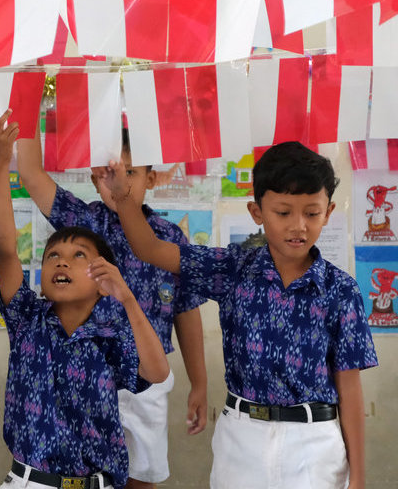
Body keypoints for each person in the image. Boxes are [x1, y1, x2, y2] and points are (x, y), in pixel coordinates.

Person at [102, 141, 378, 489]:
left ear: (329, 211)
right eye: (283, 212)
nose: (298, 225)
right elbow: (150, 248)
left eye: (311, 213)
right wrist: (124, 198)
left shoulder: (341, 289)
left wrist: (359, 478)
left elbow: (349, 386)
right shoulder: (233, 268)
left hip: (316, 443)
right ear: (256, 212)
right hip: (242, 438)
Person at [16, 129, 207, 488]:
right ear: (94, 178)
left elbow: (187, 310)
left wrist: (200, 382)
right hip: (89, 373)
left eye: (130, 172)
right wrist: (28, 97)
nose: (118, 179)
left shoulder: (170, 238)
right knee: (85, 476)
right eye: (108, 173)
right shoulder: (85, 224)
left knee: (141, 478)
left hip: (148, 379)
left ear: (151, 178)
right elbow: (31, 175)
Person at [0, 111, 169, 489]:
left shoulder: (111, 332)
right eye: (53, 256)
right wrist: (0, 165)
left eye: (78, 257)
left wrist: (128, 301)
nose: (62, 262)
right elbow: (6, 248)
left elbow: (157, 374)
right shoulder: (27, 319)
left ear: (101, 274)